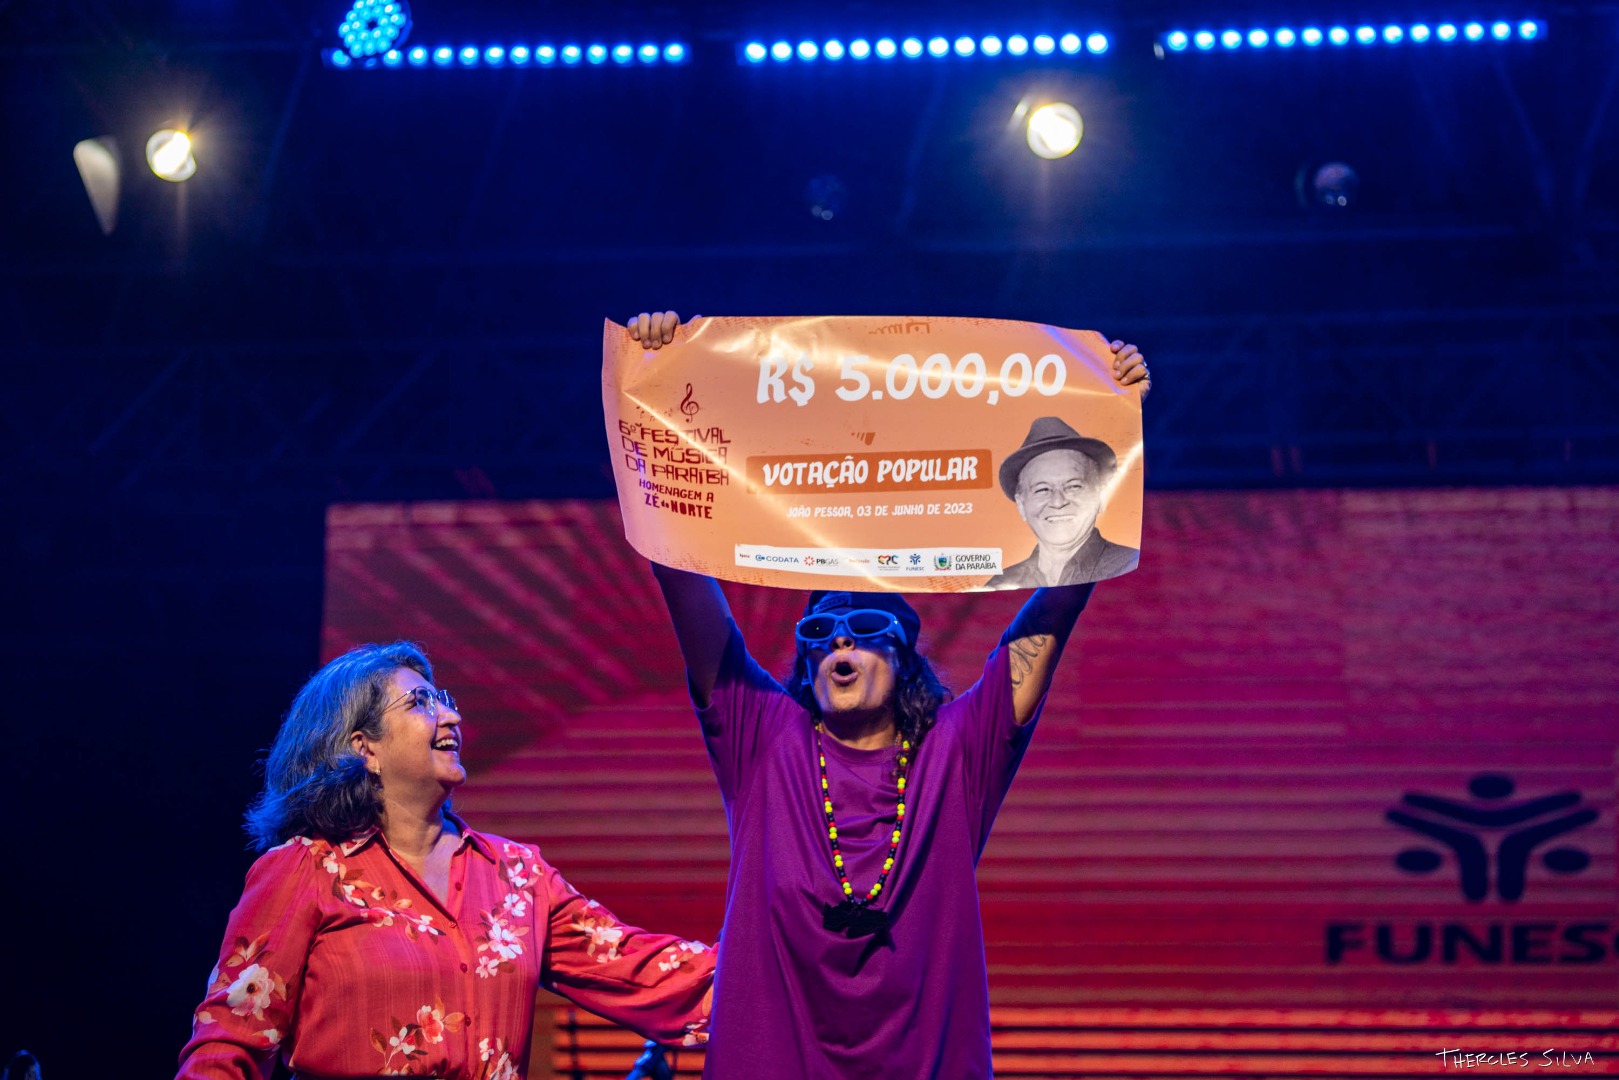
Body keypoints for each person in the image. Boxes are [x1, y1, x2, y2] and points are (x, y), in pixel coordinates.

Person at [627, 311, 1148, 1078]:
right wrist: (656, 394)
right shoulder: (762, 738)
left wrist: (1111, 415)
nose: (837, 640)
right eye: (819, 632)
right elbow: (679, 566)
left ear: (904, 657)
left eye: (863, 625)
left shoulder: (956, 751)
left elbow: (1058, 601)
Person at [178, 641, 714, 1079]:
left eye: (444, 700)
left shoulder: (517, 876)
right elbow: (228, 1045)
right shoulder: (306, 869)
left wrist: (786, 957)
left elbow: (648, 973)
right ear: (364, 747)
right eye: (420, 703)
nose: (451, 715)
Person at [984, 415, 1140, 589]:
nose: (1058, 502)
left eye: (1073, 486)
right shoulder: (1000, 584)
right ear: (1021, 506)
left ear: (1101, 496)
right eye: (1042, 489)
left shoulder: (1130, 567)